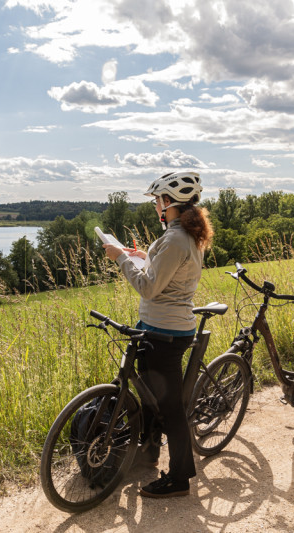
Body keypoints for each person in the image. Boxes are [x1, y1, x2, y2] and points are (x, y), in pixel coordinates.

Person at [102, 171, 213, 497]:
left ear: (169, 203)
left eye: (157, 201)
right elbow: (167, 270)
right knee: (152, 396)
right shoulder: (183, 234)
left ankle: (179, 479)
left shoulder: (176, 238)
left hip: (165, 331)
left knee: (171, 408)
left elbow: (149, 288)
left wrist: (121, 258)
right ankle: (148, 454)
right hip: (160, 327)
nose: (155, 206)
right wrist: (142, 256)